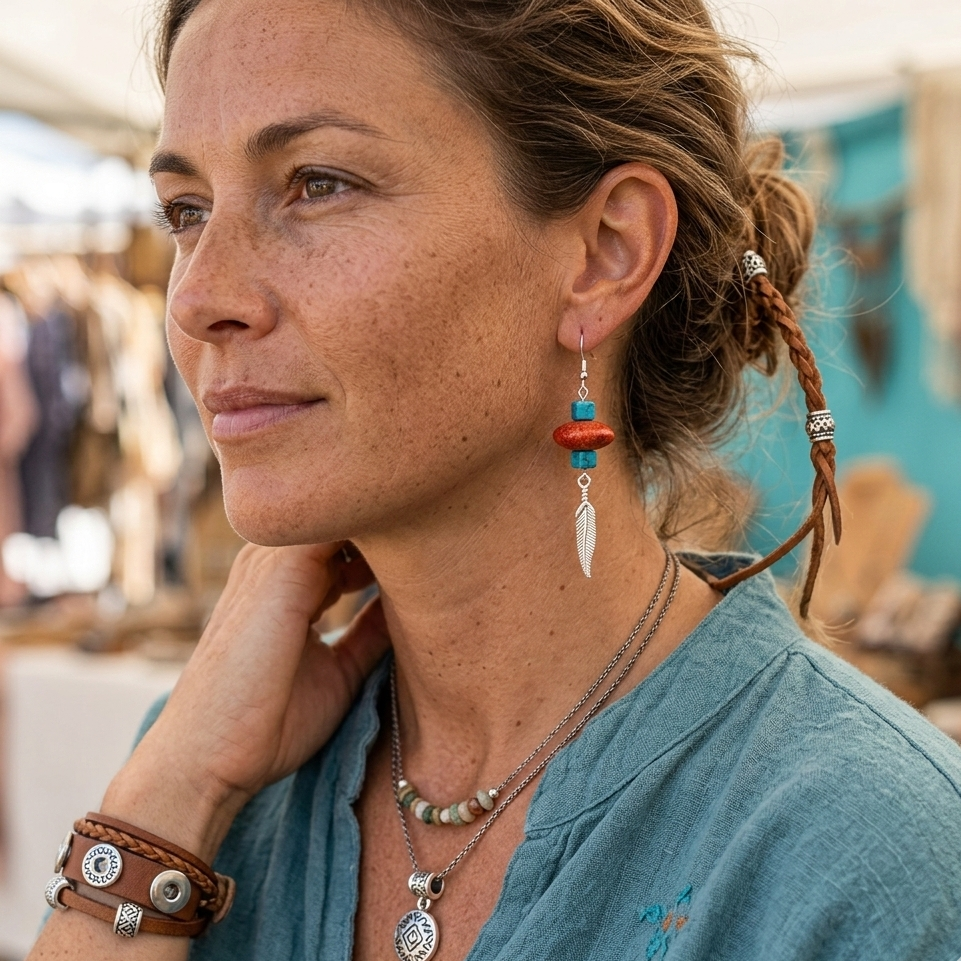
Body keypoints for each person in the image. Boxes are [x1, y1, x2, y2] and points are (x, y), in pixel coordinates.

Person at [30, 0, 961, 958]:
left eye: (316, 184)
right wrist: (169, 795)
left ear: (606, 252)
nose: (196, 298)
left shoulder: (862, 856)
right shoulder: (209, 781)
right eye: (187, 210)